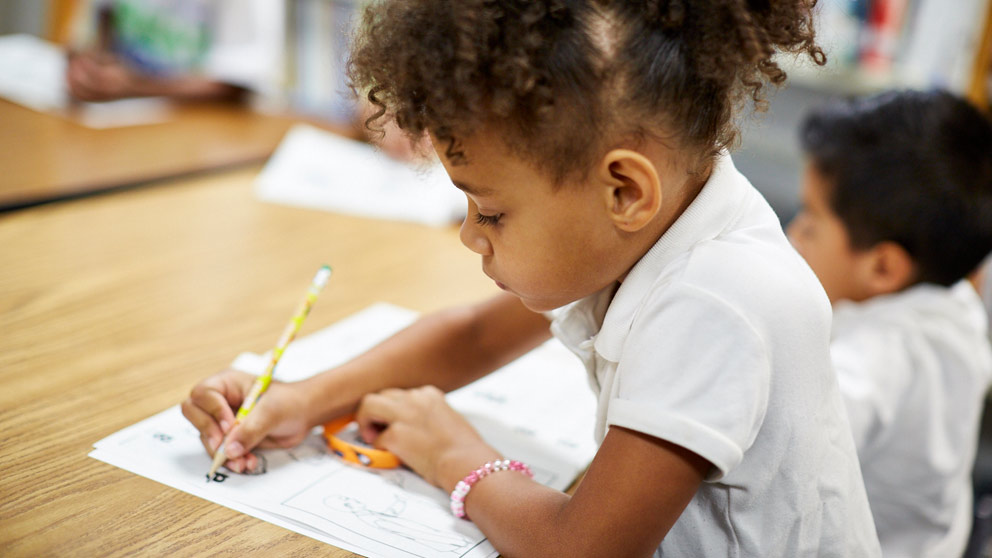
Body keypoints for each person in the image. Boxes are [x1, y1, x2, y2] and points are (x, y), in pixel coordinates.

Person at [183, 1, 881, 555]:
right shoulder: (659, 220)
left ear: (623, 191)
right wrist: (306, 398)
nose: (467, 234)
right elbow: (473, 338)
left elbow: (583, 550)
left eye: (490, 210)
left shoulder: (716, 298)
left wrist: (455, 454)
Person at [787, 90, 992, 557]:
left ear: (884, 269)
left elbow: (782, 452)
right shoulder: (953, 298)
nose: (793, 234)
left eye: (811, 222)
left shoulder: (876, 361)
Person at [65, 0, 282, 103]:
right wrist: (90, 68)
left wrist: (131, 86)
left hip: (197, 132)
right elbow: (101, 22)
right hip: (112, 124)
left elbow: (235, 84)